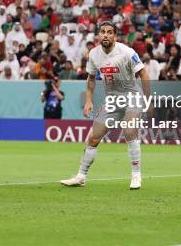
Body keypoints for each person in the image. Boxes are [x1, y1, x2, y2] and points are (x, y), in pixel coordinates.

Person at [60, 21, 150, 190]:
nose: (106, 35)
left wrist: (147, 99)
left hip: (132, 96)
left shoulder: (126, 52)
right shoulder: (94, 54)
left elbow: (143, 73)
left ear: (115, 36)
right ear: (99, 35)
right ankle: (81, 176)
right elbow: (91, 79)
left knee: (129, 130)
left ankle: (136, 174)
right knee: (94, 137)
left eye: (110, 32)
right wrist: (88, 100)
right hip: (112, 100)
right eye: (103, 32)